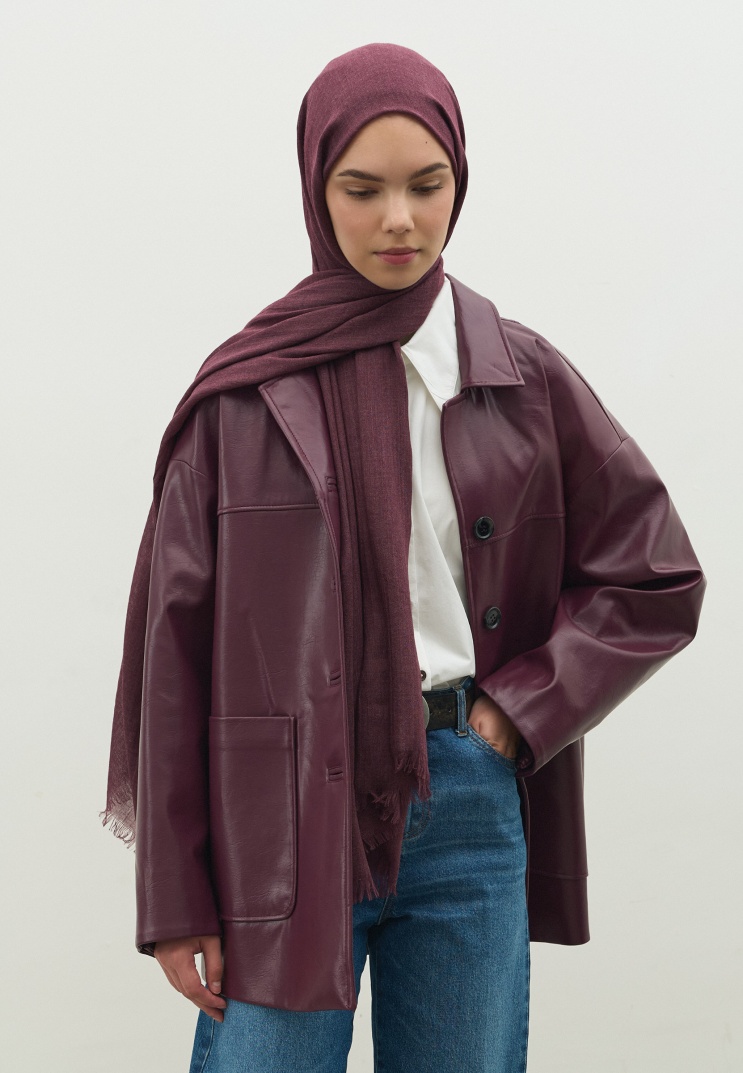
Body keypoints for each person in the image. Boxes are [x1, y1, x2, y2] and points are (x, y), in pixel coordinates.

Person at [102, 42, 705, 1073]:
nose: (399, 220)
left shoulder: (520, 375)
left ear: (459, 183)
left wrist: (514, 714)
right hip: (283, 816)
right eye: (362, 188)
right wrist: (176, 894)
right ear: (314, 186)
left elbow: (654, 573)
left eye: (427, 186)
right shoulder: (241, 396)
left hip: (467, 792)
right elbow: (174, 656)